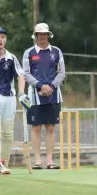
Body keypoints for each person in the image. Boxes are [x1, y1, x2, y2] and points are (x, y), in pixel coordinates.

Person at [0, 27, 31, 174]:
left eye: (3, 37)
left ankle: (3, 163)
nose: (0, 40)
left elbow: (21, 76)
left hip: (9, 98)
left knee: (7, 133)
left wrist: (21, 94)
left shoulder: (11, 58)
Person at [22, 23, 65, 170]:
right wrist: (40, 85)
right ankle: (38, 161)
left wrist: (51, 87)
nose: (42, 37)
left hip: (53, 95)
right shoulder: (29, 52)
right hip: (34, 95)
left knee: (51, 127)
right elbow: (26, 73)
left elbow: (61, 72)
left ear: (48, 35)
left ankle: (50, 161)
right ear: (35, 35)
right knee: (36, 127)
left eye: (44, 34)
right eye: (39, 34)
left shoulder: (57, 51)